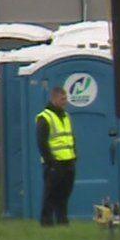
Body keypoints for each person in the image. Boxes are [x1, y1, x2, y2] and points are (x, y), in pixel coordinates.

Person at [36, 87, 76, 226]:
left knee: (64, 194)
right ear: (54, 99)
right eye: (62, 99)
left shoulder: (66, 116)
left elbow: (71, 137)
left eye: (66, 98)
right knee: (50, 194)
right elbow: (42, 142)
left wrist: (74, 156)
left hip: (68, 161)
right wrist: (50, 162)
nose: (65, 102)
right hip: (54, 163)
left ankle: (62, 221)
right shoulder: (45, 117)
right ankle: (46, 222)